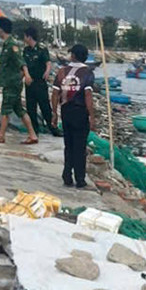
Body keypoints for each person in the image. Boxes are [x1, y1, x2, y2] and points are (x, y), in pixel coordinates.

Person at [0, 17, 38, 145]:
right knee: (19, 110)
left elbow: (21, 61)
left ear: (1, 29)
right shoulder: (6, 45)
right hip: (9, 82)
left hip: (12, 83)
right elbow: (6, 63)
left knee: (5, 109)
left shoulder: (11, 45)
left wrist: (27, 75)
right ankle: (32, 135)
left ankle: (0, 136)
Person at [51, 44, 95, 188]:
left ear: (73, 56)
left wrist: (54, 113)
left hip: (66, 111)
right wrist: (92, 116)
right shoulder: (87, 72)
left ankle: (67, 176)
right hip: (80, 112)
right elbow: (88, 95)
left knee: (68, 145)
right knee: (80, 146)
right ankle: (80, 179)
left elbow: (55, 93)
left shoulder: (62, 71)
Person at [22, 26, 58, 136]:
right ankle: (34, 130)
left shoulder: (42, 49)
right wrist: (26, 76)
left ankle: (52, 128)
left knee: (45, 106)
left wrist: (47, 71)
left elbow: (48, 62)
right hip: (30, 82)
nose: (24, 38)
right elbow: (24, 64)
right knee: (31, 107)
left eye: (25, 36)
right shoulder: (26, 50)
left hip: (40, 81)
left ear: (29, 37)